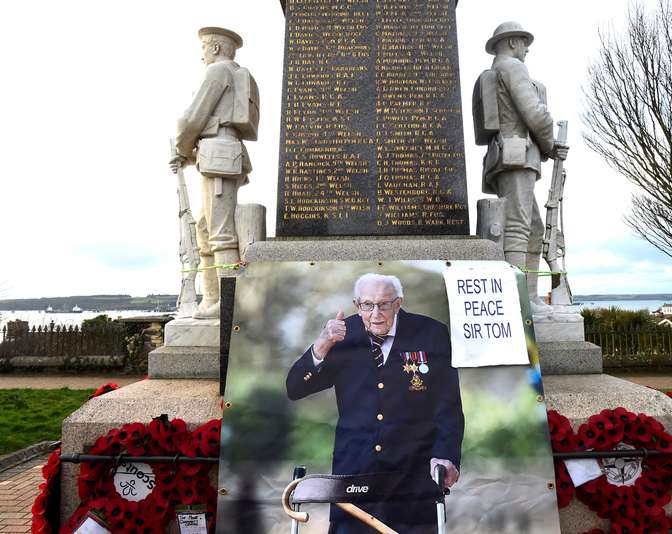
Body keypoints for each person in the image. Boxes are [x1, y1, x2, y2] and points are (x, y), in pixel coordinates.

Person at [286, 273, 464, 534]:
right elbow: (295, 388)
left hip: (413, 473)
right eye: (367, 305)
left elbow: (448, 404)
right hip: (354, 475)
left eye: (385, 304)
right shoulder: (341, 335)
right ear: (357, 305)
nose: (376, 313)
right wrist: (322, 345)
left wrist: (447, 455)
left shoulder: (431, 333)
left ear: (399, 302)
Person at [479, 22, 568, 312]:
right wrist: (550, 143)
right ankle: (518, 302)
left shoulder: (499, 69)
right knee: (518, 227)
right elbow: (535, 114)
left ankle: (527, 299)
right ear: (513, 42)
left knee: (532, 227)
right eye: (524, 42)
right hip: (518, 154)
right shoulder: (513, 68)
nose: (527, 49)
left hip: (507, 154)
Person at [169, 27, 257, 319]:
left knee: (220, 233)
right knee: (205, 228)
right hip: (217, 153)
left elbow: (192, 117)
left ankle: (227, 301)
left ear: (217, 48)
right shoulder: (232, 73)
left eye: (205, 47)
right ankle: (211, 299)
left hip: (218, 154)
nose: (202, 54)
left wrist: (182, 149)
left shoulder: (218, 72)